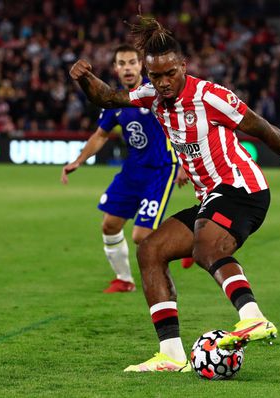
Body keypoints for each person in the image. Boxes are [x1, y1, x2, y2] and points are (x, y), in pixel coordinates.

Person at [69, 16, 280, 372]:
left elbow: (263, 129)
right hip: (211, 196)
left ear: (183, 67)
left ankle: (252, 316)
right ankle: (172, 354)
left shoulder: (211, 96)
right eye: (155, 76)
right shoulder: (149, 96)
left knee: (207, 247)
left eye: (169, 74)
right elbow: (106, 96)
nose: (162, 83)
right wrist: (85, 78)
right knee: (151, 250)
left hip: (242, 188)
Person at [62, 44, 188, 293]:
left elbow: (180, 124)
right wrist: (78, 160)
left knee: (142, 236)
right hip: (132, 171)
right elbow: (99, 135)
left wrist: (184, 162)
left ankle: (189, 245)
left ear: (141, 65)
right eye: (122, 63)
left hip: (160, 169)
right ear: (115, 68)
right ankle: (124, 279)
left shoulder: (156, 93)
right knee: (109, 225)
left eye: (132, 62)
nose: (127, 68)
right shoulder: (115, 101)